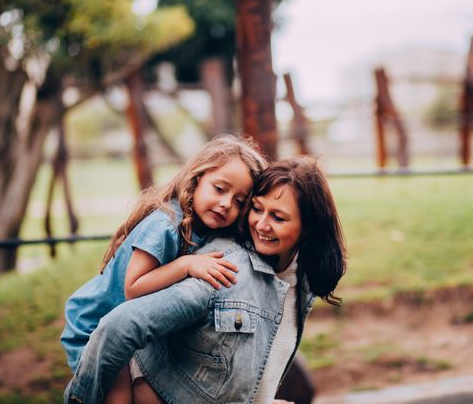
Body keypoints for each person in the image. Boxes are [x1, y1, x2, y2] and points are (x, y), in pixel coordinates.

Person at [64, 156, 347, 404]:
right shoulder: (224, 270)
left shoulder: (302, 281)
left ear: (308, 228)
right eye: (257, 209)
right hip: (92, 330)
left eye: (278, 217)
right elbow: (118, 327)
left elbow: (233, 369)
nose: (261, 224)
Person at [61, 134, 268, 403]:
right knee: (118, 396)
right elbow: (134, 287)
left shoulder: (205, 228)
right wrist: (186, 265)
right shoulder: (166, 225)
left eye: (240, 201)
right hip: (94, 326)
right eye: (219, 189)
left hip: (131, 331)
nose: (226, 203)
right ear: (196, 179)